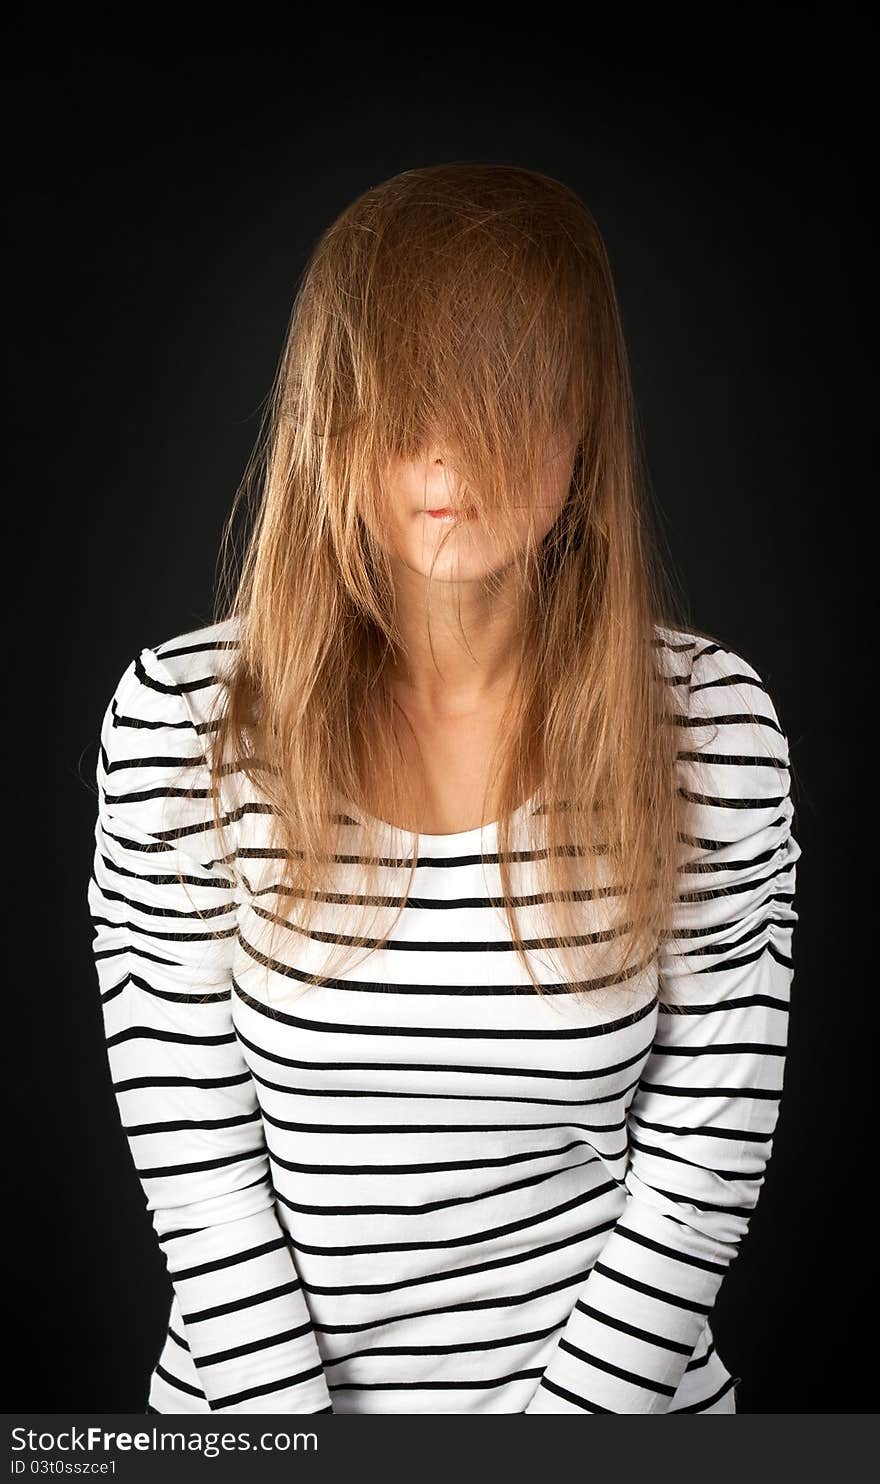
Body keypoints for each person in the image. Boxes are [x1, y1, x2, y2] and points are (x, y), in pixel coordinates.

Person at [87, 163, 800, 1415]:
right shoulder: (182, 721)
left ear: (585, 428)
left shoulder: (708, 727)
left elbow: (701, 1161)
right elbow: (194, 1157)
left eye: (506, 386)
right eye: (405, 387)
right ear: (332, 411)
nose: (447, 444)